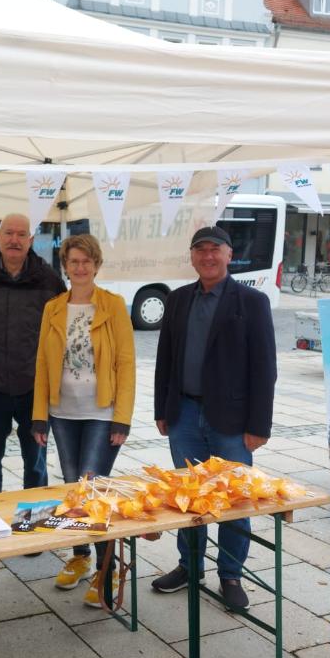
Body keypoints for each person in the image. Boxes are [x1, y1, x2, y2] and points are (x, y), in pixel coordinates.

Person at [151, 225, 277, 611]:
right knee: (189, 498)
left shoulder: (252, 302)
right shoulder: (178, 300)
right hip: (184, 414)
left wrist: (259, 426)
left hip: (233, 421)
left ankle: (231, 574)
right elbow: (165, 358)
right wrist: (162, 409)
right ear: (192, 256)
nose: (207, 256)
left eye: (215, 249)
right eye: (200, 249)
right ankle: (189, 567)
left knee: (234, 500)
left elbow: (265, 368)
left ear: (228, 255)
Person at [31, 234, 135, 607]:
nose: (80, 268)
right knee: (73, 489)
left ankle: (107, 570)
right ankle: (80, 556)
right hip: (63, 413)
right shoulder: (53, 308)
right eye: (73, 261)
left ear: (96, 265)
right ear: (65, 266)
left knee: (92, 490)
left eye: (86, 261)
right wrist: (39, 416)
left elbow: (126, 363)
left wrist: (122, 418)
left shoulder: (113, 305)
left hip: (101, 413)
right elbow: (43, 363)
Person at [0, 213, 65, 497]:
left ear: (31, 240)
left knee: (36, 465)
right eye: (8, 233)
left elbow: (63, 335)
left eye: (21, 234)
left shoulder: (50, 282)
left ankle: (35, 521)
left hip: (35, 389)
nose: (14, 240)